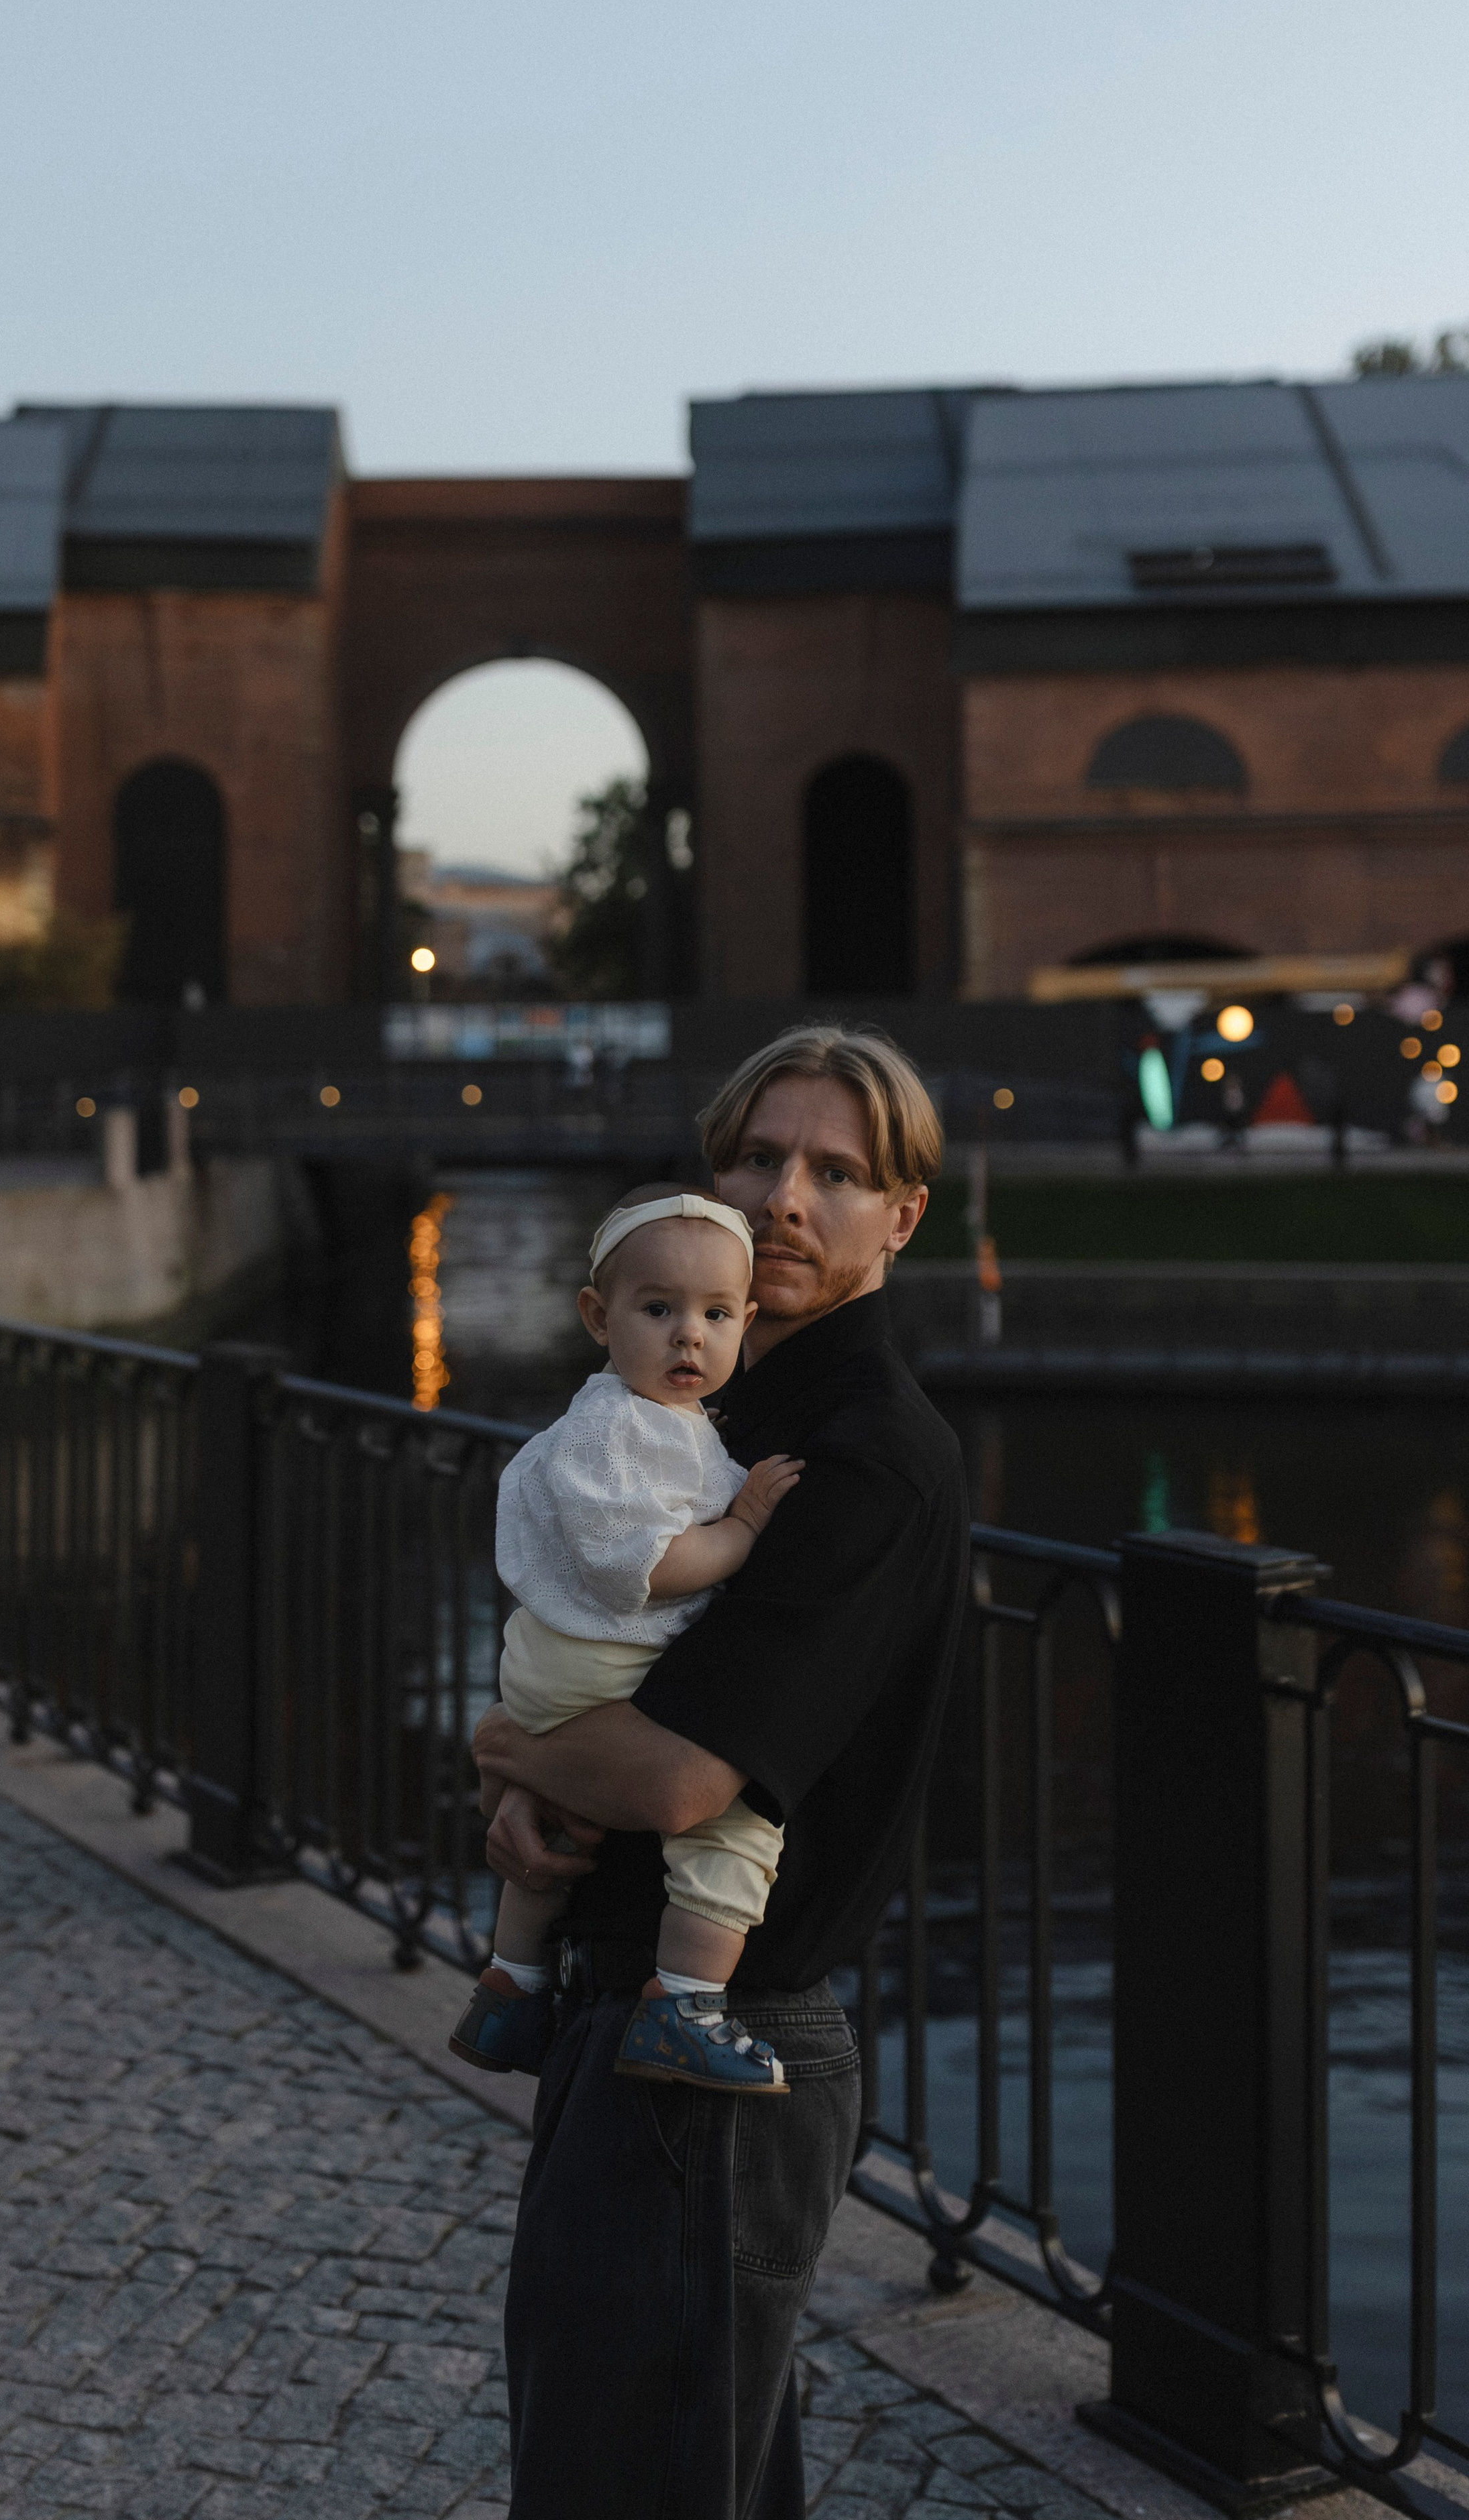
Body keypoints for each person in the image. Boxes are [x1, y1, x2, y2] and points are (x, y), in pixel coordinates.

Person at [473, 1024, 970, 2520]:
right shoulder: (702, 1409)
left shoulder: (857, 1452)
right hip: (634, 2016)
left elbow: (687, 1776)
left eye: (834, 1171)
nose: (782, 1198)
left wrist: (507, 1745)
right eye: (755, 1158)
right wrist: (537, 1792)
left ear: (902, 1215)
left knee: (623, 2479)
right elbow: (604, 1664)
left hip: (718, 2057)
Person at [449, 1187, 804, 2095]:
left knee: (565, 1821)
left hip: (550, 1662)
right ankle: (685, 2003)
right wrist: (746, 1528)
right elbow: (642, 1565)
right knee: (736, 1820)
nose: (689, 1335)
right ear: (598, 1319)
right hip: (596, 1658)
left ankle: (511, 1984)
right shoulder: (611, 1427)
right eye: (659, 1310)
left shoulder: (664, 1422)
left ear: (746, 1322)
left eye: (716, 1314)